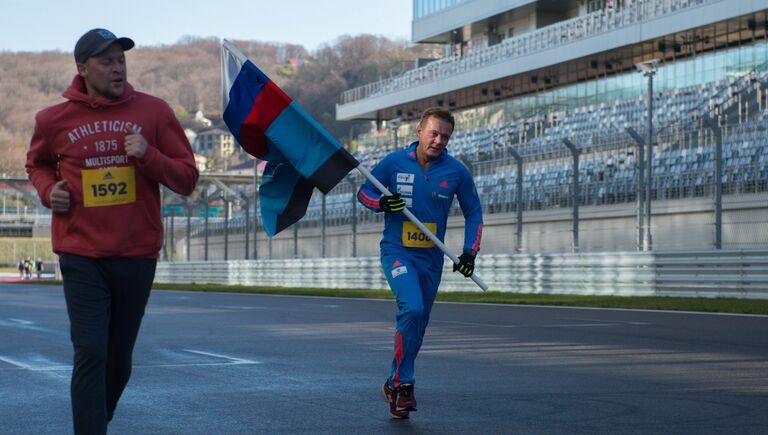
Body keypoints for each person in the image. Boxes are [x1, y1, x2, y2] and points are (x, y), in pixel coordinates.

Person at [25, 28, 198, 434]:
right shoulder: (52, 120)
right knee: (90, 350)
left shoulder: (154, 112)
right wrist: (50, 191)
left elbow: (188, 179)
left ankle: (94, 420)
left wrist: (149, 155)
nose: (117, 67)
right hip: (81, 252)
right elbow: (36, 165)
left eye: (121, 59)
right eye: (106, 61)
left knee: (118, 358)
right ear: (83, 69)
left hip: (136, 252)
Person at [357, 107, 483, 419]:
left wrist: (469, 253)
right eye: (434, 133)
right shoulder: (394, 162)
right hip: (397, 252)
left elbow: (474, 212)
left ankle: (392, 383)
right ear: (419, 131)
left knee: (419, 323)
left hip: (431, 259)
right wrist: (382, 203)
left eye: (445, 136)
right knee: (411, 308)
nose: (439, 140)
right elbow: (364, 193)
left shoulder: (456, 172)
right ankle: (404, 384)